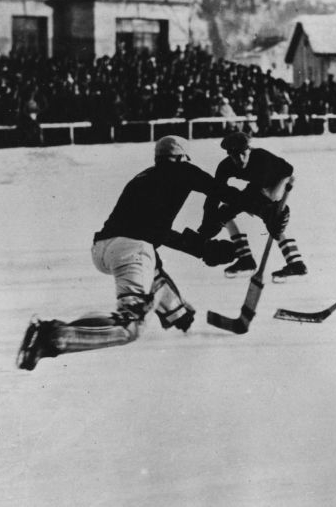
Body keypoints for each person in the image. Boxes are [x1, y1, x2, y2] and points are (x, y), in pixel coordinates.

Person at [15, 136, 239, 371]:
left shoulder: (143, 177)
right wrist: (261, 204)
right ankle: (53, 337)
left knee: (152, 270)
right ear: (181, 158)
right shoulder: (182, 170)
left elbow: (156, 232)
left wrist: (202, 250)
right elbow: (219, 190)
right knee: (130, 326)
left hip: (103, 249)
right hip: (131, 250)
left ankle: (175, 310)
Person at [200, 131, 306, 282]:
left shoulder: (261, 158)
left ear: (249, 149)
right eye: (234, 156)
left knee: (273, 217)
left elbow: (254, 194)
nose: (240, 159)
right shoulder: (225, 166)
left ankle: (296, 263)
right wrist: (208, 222)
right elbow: (214, 193)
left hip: (281, 178)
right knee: (224, 212)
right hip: (258, 187)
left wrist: (226, 213)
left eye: (243, 154)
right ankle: (246, 259)